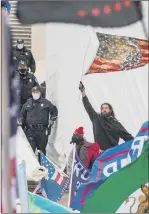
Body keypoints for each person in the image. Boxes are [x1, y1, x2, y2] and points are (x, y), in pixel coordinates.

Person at [79, 81, 134, 152]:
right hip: (100, 154)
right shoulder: (96, 118)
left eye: (106, 108)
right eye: (102, 108)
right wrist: (83, 91)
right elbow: (88, 107)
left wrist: (138, 143)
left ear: (110, 110)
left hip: (113, 154)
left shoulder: (116, 124)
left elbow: (127, 137)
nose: (104, 110)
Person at [19, 86, 58, 155]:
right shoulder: (27, 103)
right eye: (34, 92)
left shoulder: (46, 102)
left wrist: (52, 120)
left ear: (40, 93)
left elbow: (54, 111)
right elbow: (22, 114)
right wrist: (21, 121)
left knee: (41, 151)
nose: (35, 94)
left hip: (42, 132)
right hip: (30, 131)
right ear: (32, 93)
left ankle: (41, 165)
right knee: (30, 151)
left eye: (37, 92)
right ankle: (32, 165)